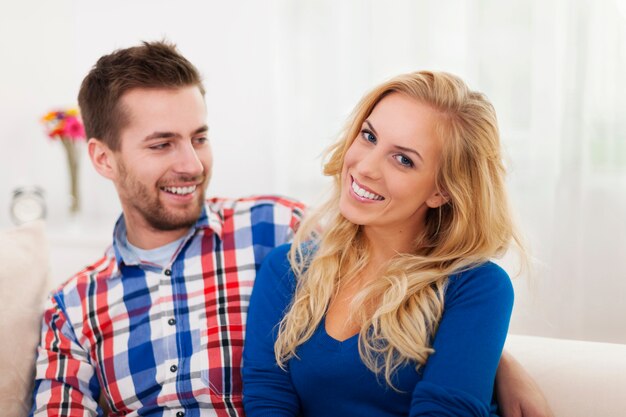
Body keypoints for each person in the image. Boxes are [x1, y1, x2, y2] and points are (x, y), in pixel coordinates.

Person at [30, 42, 551, 417]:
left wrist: (492, 357)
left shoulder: (276, 226)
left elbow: (411, 278)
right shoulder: (71, 310)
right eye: (161, 143)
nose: (191, 164)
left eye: (200, 137)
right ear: (101, 157)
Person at [242, 71, 546, 416]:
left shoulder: (476, 287)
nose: (365, 167)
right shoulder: (288, 269)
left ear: (441, 190)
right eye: (369, 136)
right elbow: (268, 399)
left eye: (403, 159)